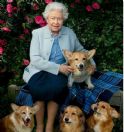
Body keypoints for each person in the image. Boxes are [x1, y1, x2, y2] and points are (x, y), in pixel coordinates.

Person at [22, 2, 95, 132]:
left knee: (56, 89)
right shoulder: (37, 34)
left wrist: (92, 65)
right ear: (47, 19)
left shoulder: (69, 33)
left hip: (62, 71)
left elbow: (82, 50)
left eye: (59, 19)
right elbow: (35, 59)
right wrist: (57, 68)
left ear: (64, 19)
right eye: (53, 18)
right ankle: (39, 125)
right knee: (38, 90)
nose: (56, 22)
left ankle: (49, 125)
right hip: (39, 70)